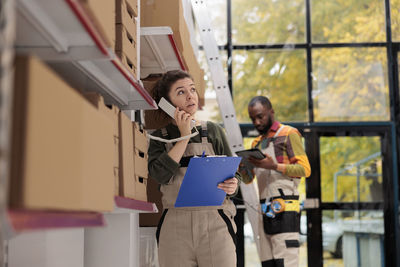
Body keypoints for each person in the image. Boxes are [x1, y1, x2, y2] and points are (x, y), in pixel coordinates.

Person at [147, 70, 241, 267]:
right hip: (175, 225)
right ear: (167, 103)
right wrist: (184, 135)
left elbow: (235, 174)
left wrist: (234, 184)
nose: (190, 96)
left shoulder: (213, 131)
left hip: (215, 220)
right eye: (181, 92)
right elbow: (160, 175)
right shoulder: (160, 137)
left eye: (192, 89)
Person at [240, 96, 311, 267]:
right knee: (269, 263)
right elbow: (249, 180)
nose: (256, 122)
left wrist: (274, 166)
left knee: (285, 262)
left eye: (260, 116)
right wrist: (242, 168)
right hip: (264, 211)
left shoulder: (289, 134)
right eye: (252, 119)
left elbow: (305, 169)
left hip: (285, 210)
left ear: (271, 112)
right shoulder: (256, 143)